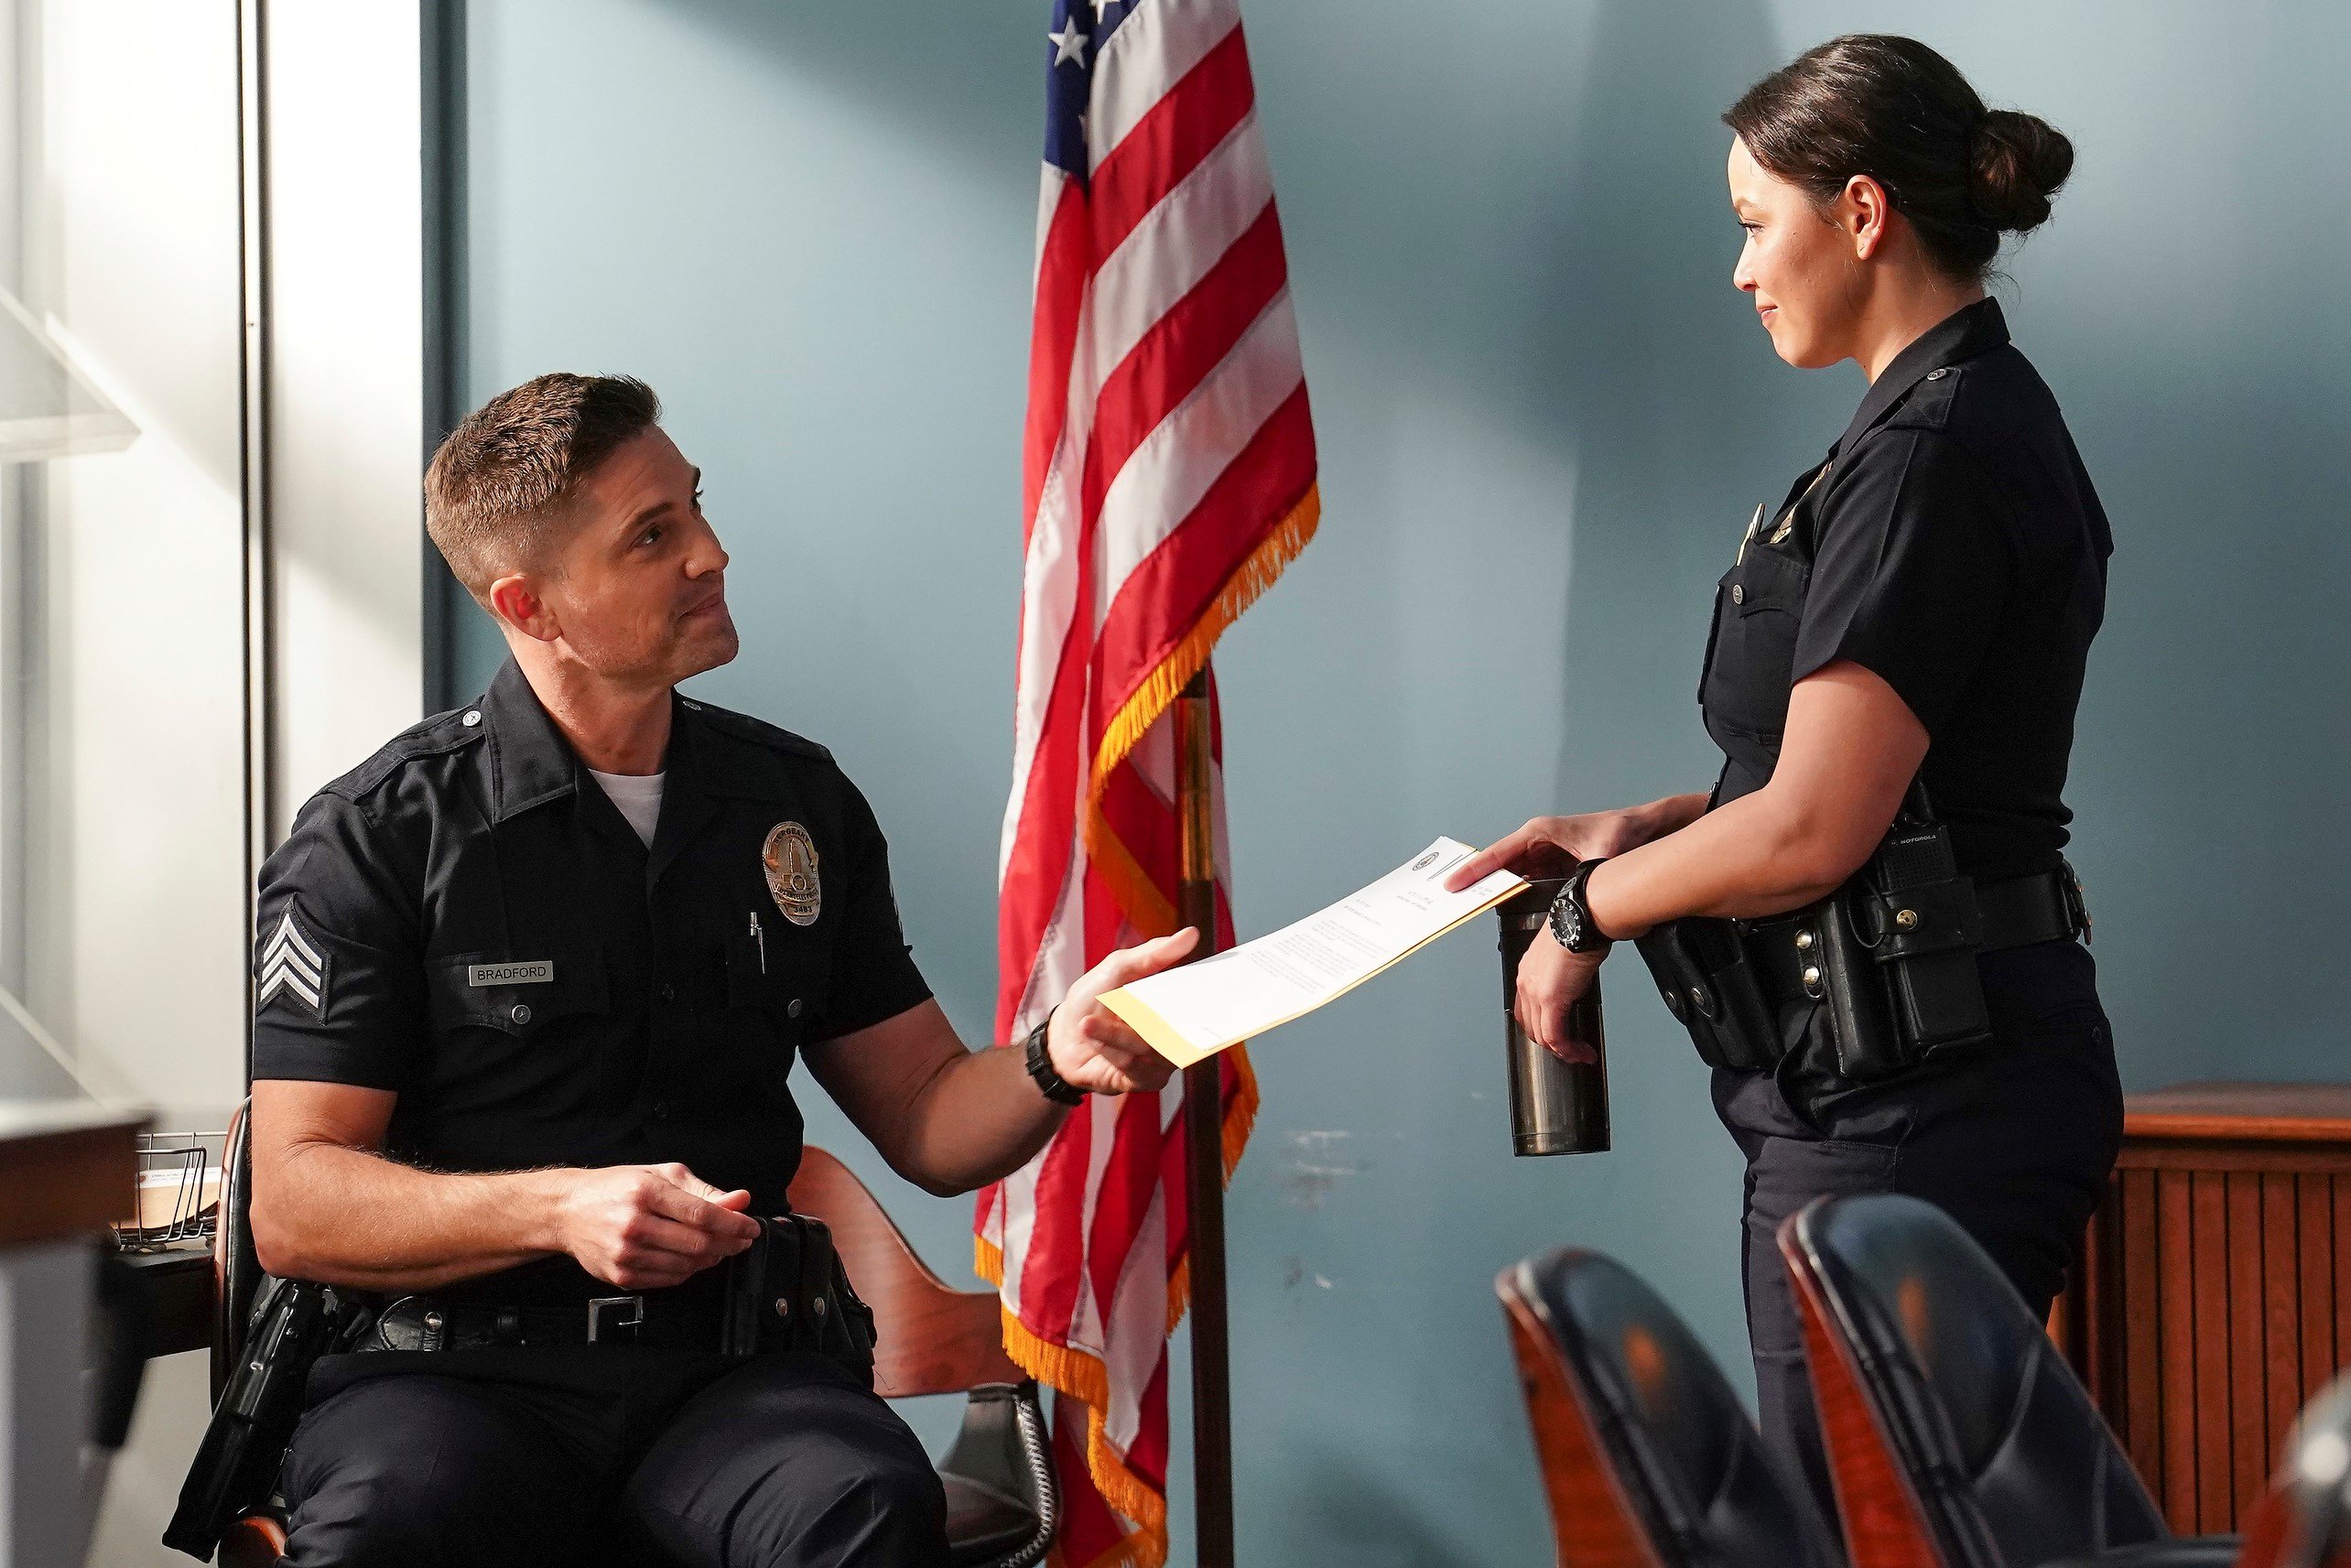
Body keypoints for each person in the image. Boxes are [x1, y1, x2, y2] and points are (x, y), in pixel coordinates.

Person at [245, 372, 1194, 1567]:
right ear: (530, 603)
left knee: (863, 1514)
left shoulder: (794, 803)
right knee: (387, 1534)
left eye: (694, 508)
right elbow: (291, 1201)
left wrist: (1058, 1053)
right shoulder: (377, 835)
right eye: (654, 536)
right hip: (455, 1376)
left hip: (730, 1375)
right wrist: (560, 1206)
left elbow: (927, 1116)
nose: (712, 553)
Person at [1448, 34, 2116, 1509]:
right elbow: (1854, 788)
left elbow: (1817, 826)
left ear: (1862, 213)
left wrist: (1587, 914)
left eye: (1758, 222)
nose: (1743, 268)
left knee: (1865, 1535)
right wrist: (1640, 827)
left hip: (1918, 1112)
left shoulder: (1936, 450)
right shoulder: (1918, 433)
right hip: (1891, 1096)